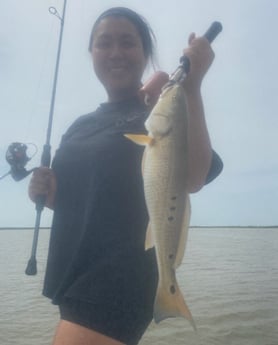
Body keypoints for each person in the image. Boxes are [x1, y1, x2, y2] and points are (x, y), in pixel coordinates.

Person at [28, 7, 223, 345]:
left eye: (128, 43)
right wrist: (44, 194)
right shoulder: (79, 126)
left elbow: (193, 177)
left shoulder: (156, 114)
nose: (115, 52)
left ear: (145, 53)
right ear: (91, 53)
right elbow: (81, 205)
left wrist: (191, 87)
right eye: (104, 43)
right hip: (73, 280)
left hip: (118, 281)